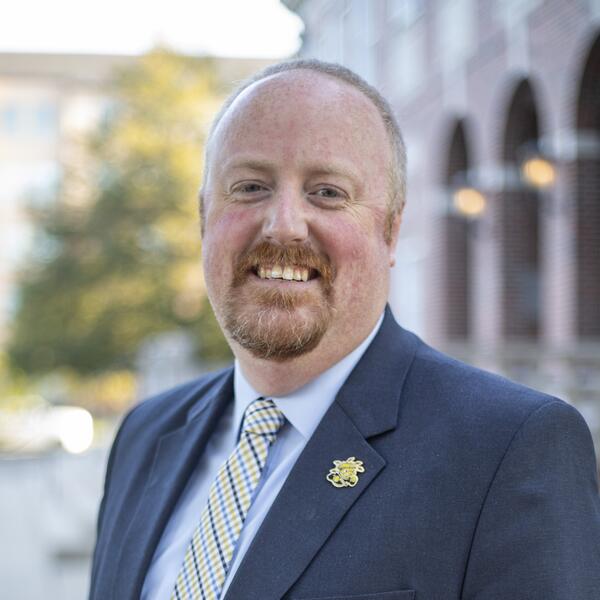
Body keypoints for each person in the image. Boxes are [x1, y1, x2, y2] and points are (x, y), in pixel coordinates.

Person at [89, 59, 600, 600]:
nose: (283, 223)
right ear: (203, 219)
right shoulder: (145, 435)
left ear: (391, 230)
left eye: (327, 192)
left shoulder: (509, 449)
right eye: (250, 187)